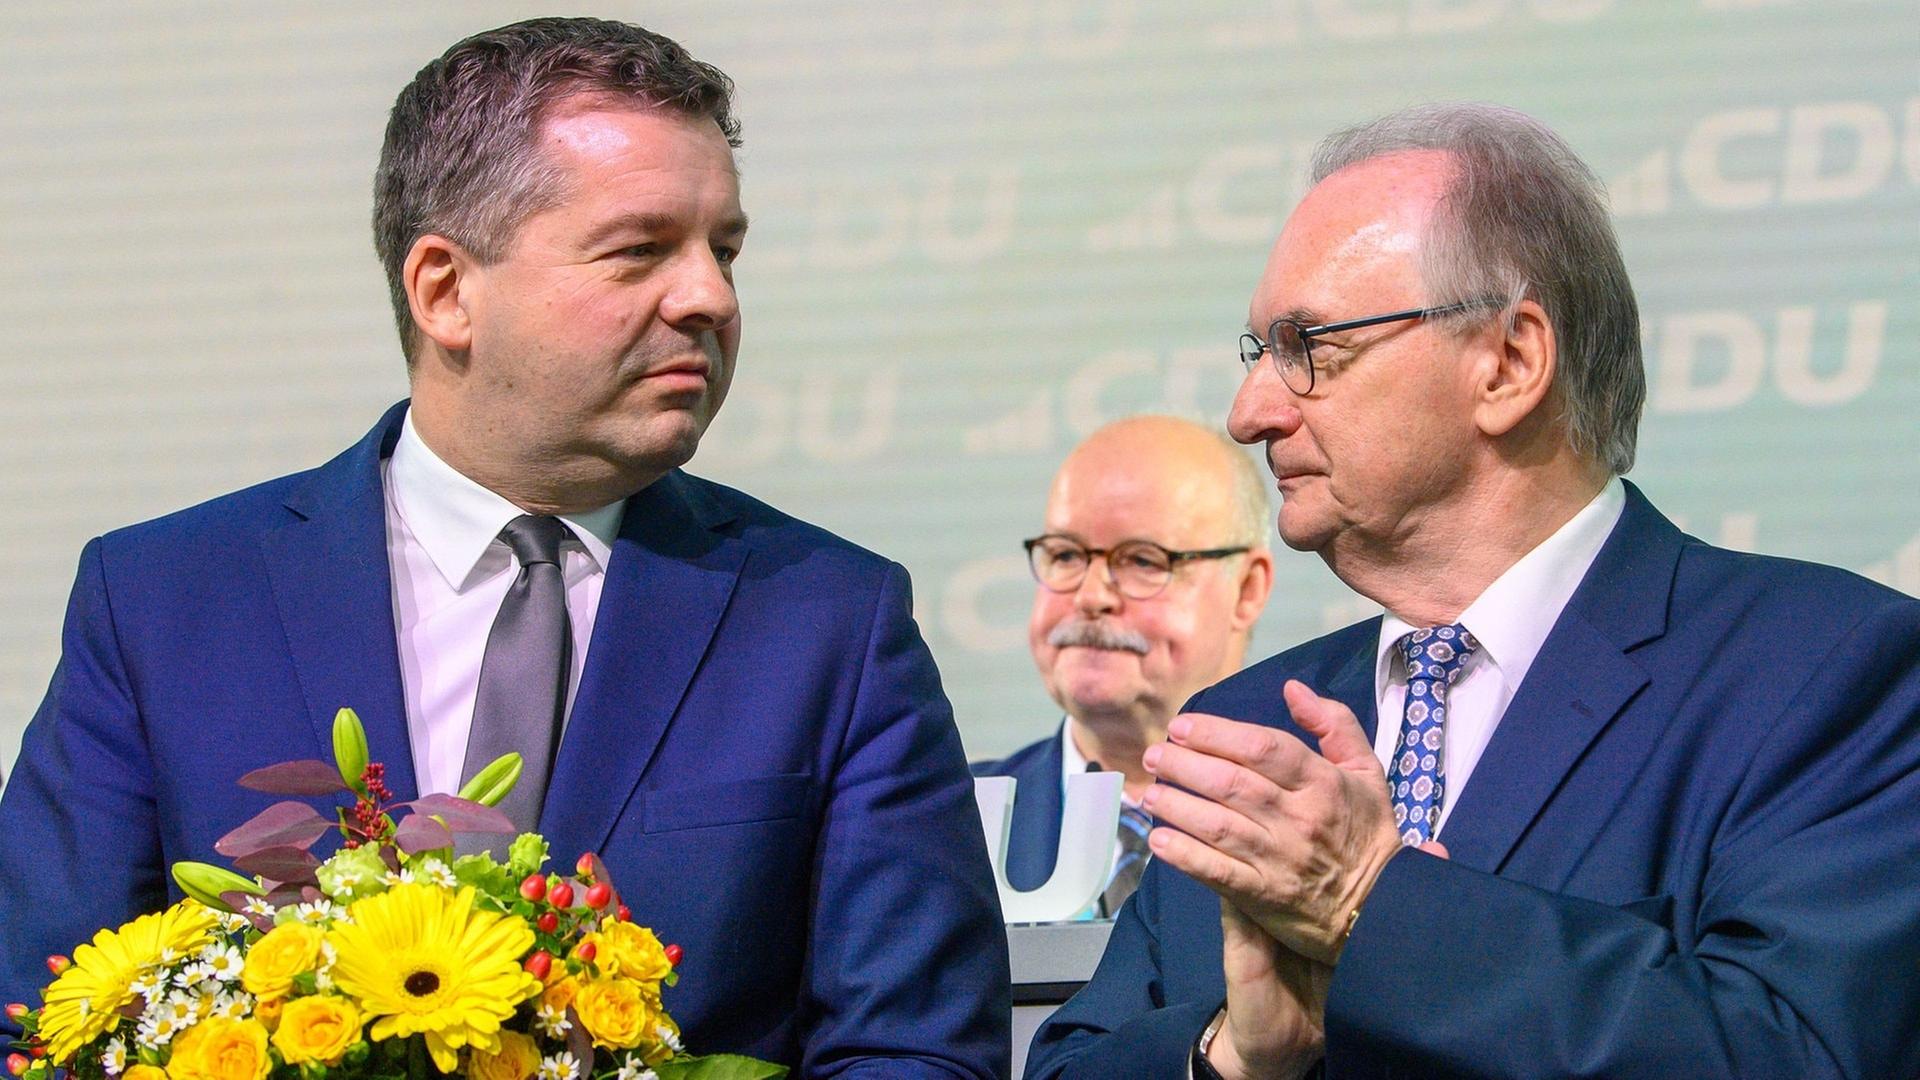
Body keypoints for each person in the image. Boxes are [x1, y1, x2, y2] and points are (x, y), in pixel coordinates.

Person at [0, 18, 1009, 1076]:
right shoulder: (165, 604)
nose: (709, 296)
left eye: (725, 249)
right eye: (641, 249)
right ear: (445, 291)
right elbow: (36, 1021)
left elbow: (920, 1051)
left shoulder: (830, 621)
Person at [1026, 103, 1920, 1078]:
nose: (1250, 414)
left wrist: (1375, 907)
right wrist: (1234, 1054)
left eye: (1309, 348)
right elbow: (1074, 1062)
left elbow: (1797, 1053)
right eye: (1260, 355)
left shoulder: (1831, 673)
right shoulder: (1244, 726)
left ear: (1508, 362)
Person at [973, 416, 1273, 917]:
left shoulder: (1317, 819)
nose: (1090, 596)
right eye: (1066, 555)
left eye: (1142, 561)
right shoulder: (949, 825)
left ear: (1247, 590)